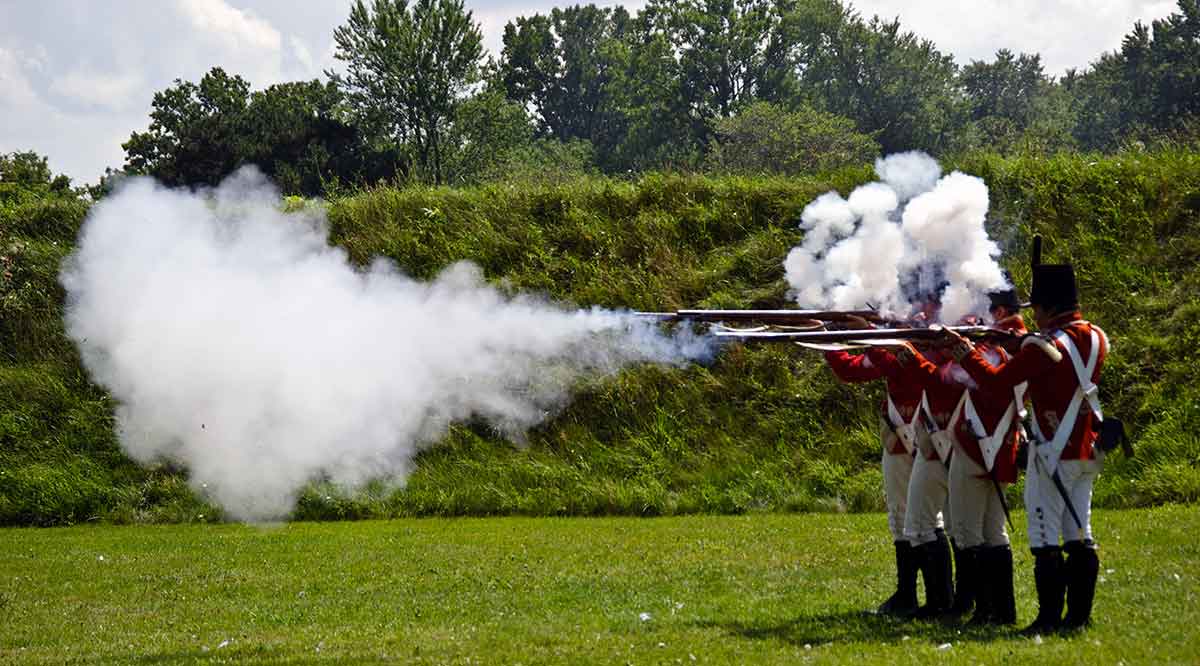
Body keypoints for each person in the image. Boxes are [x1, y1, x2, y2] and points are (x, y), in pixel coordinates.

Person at [942, 262, 1108, 633]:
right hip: (1085, 447)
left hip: (1052, 447)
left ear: (1047, 307)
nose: (1033, 312)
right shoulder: (1096, 336)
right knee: (1080, 532)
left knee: (1045, 535)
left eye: (1037, 306)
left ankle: (1049, 618)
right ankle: (1078, 618)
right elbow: (1052, 359)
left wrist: (963, 353)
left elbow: (998, 384)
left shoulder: (1045, 344)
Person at [888, 287, 1028, 625]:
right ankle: (993, 610)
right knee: (988, 532)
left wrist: (931, 353)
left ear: (994, 312)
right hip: (985, 444)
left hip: (977, 445)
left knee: (970, 533)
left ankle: (981, 609)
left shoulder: (999, 349)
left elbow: (949, 380)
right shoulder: (1007, 345)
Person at [823, 338, 923, 617]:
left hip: (928, 434)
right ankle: (908, 594)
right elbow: (852, 371)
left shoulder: (928, 343)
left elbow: (900, 365)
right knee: (901, 517)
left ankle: (945, 598)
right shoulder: (897, 343)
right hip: (898, 436)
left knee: (934, 521)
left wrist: (868, 336)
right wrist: (826, 339)